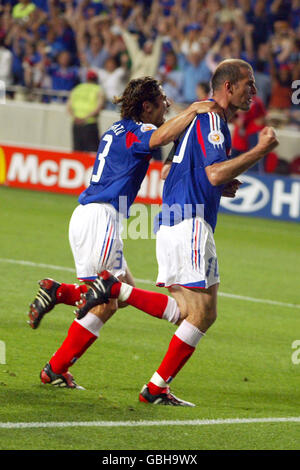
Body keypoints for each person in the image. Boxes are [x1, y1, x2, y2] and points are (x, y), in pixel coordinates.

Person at [76, 59, 279, 406]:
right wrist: (259, 151)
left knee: (206, 311)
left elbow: (171, 168)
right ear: (228, 87)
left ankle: (157, 387)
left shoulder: (199, 120)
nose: (254, 92)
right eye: (249, 84)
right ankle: (117, 292)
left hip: (179, 218)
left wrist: (216, 181)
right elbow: (212, 174)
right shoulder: (212, 118)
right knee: (191, 312)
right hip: (189, 221)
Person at [27, 76, 223, 389]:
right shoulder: (141, 129)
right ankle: (57, 326)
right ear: (147, 106)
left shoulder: (115, 130)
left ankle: (57, 336)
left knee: (116, 297)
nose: (167, 105)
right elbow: (158, 138)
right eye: (161, 101)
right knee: (109, 297)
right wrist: (196, 110)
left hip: (87, 217)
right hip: (101, 219)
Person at [66, 69, 104, 153]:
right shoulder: (98, 89)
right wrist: (85, 118)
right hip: (90, 123)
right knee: (93, 151)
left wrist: (76, 117)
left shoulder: (77, 88)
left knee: (77, 150)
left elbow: (68, 107)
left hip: (76, 123)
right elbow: (99, 107)